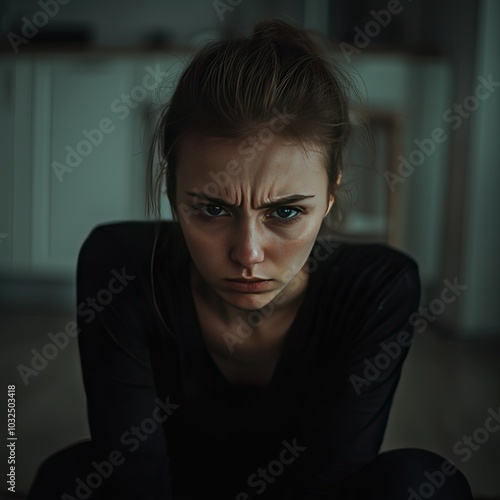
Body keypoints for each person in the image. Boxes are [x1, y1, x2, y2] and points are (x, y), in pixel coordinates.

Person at [27, 19, 473, 500]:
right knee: (65, 477)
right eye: (212, 209)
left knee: (426, 483)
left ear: (330, 195)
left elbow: (329, 483)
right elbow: (136, 480)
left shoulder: (379, 288)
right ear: (174, 194)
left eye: (285, 212)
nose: (248, 254)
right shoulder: (121, 266)